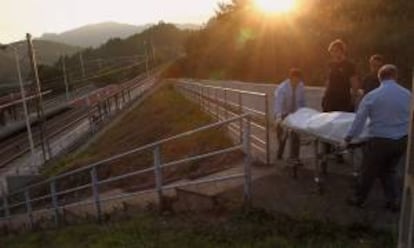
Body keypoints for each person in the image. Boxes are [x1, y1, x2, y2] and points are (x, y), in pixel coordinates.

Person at [344, 64, 411, 212]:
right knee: (388, 170)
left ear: (379, 78)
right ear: (396, 76)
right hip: (401, 141)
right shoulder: (407, 94)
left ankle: (358, 199)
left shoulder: (372, 96)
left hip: (380, 140)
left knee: (368, 171)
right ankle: (393, 201)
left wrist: (349, 137)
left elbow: (359, 120)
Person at [274, 68, 306, 163]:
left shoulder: (301, 86)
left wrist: (304, 113)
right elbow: (278, 104)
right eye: (295, 79)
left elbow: (303, 101)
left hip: (295, 114)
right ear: (291, 78)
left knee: (296, 136)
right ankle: (280, 153)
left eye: (299, 79)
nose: (297, 82)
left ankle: (295, 157)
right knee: (282, 137)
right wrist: (279, 118)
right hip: (283, 113)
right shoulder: (282, 88)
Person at [322, 39, 360, 112]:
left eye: (335, 51)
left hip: (343, 100)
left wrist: (353, 100)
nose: (333, 53)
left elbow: (355, 84)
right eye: (331, 51)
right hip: (330, 100)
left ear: (342, 51)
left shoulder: (350, 65)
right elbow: (328, 81)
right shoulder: (330, 65)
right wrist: (324, 96)